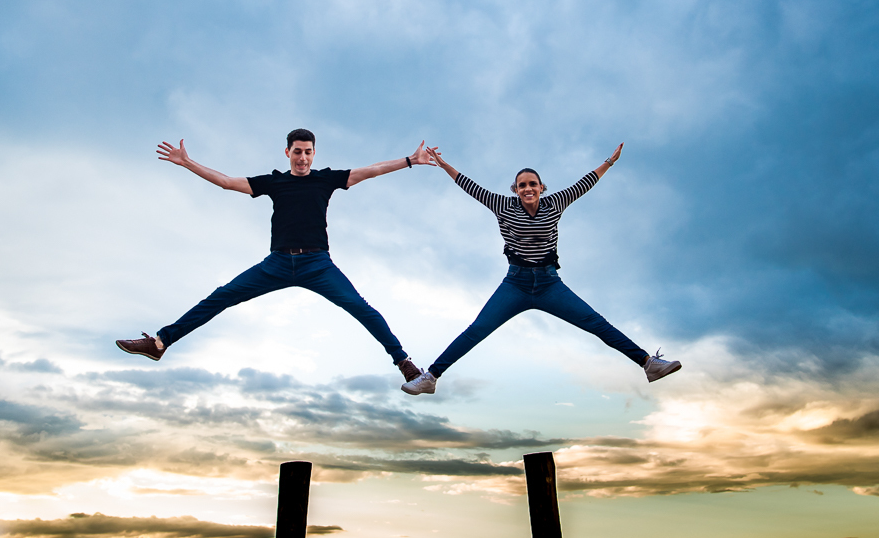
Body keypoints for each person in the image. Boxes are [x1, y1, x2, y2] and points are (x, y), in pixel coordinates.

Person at [116, 128, 432, 385]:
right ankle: (160, 343)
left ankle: (403, 362)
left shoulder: (326, 179)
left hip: (317, 264)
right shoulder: (275, 182)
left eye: (308, 152)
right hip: (278, 264)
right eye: (297, 151)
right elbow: (227, 182)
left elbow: (372, 171)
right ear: (288, 153)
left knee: (362, 309)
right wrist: (188, 163)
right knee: (221, 296)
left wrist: (410, 160)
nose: (303, 157)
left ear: (314, 153)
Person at [400, 142, 680, 395]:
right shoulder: (502, 205)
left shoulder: (555, 203)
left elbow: (585, 183)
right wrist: (444, 164)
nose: (527, 189)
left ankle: (648, 364)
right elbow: (469, 185)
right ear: (516, 190)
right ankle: (431, 376)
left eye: (532, 184)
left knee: (596, 323)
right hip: (515, 284)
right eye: (521, 185)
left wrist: (610, 161)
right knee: (477, 330)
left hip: (549, 284)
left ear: (541, 187)